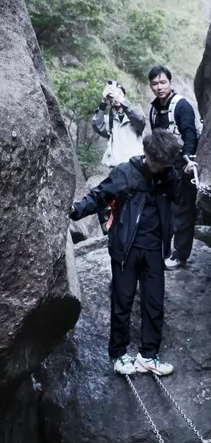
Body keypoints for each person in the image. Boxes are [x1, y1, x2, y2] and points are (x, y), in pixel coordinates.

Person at [69, 129, 184, 377]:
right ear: (147, 153)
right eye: (155, 161)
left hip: (154, 249)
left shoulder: (169, 175)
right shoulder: (125, 172)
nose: (158, 167)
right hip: (126, 248)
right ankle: (119, 354)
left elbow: (179, 197)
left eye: (163, 163)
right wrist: (75, 210)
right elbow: (99, 196)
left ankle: (148, 355)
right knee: (123, 302)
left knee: (154, 303)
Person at [148, 65, 201, 270]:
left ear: (171, 83)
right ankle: (164, 251)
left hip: (181, 165)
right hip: (163, 167)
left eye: (163, 82)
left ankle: (180, 254)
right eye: (155, 83)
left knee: (182, 210)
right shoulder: (154, 110)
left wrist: (189, 161)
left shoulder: (181, 106)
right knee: (163, 210)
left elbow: (189, 135)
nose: (159, 87)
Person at [92, 81, 146, 168]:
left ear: (124, 96)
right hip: (117, 167)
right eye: (113, 95)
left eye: (120, 93)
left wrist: (122, 101)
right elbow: (97, 127)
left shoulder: (135, 111)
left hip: (137, 165)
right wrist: (103, 103)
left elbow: (140, 121)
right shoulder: (109, 119)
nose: (116, 97)